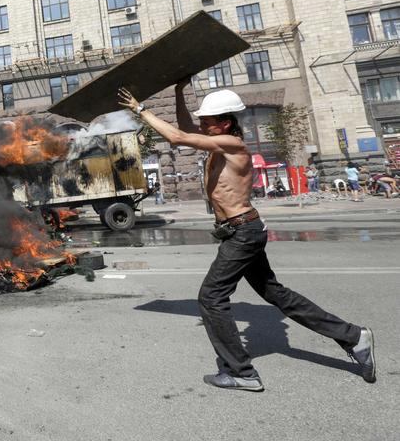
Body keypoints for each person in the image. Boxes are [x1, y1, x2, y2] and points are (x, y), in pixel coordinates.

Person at [117, 83, 375, 391]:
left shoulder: (231, 144)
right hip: (242, 230)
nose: (202, 125)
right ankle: (354, 337)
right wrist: (178, 89)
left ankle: (241, 373)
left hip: (242, 231)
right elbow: (184, 127)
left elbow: (177, 136)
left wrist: (139, 108)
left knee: (211, 298)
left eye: (208, 121)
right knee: (277, 295)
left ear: (225, 123)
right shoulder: (217, 140)